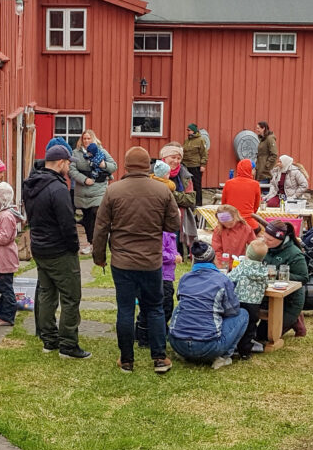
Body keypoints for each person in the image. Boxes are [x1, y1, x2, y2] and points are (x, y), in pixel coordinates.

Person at [92, 146, 180, 374]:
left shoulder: (113, 191)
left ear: (126, 165)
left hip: (122, 262)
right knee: (155, 308)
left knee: (125, 309)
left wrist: (99, 257)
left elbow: (101, 227)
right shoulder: (162, 191)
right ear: (148, 166)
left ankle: (127, 360)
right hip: (151, 260)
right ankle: (160, 358)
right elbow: (173, 225)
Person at [22, 144, 89, 359]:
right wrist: (74, 247)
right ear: (60, 162)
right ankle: (68, 345)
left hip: (40, 247)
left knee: (46, 294)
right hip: (59, 249)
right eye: (68, 163)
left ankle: (49, 341)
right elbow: (67, 223)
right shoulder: (58, 188)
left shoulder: (31, 184)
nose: (69, 167)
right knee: (70, 297)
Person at [168, 241, 246, 370]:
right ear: (214, 258)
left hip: (178, 343)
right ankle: (224, 357)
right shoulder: (223, 280)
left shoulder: (184, 278)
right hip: (208, 347)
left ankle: (183, 350)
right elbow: (233, 310)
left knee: (180, 307)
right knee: (243, 314)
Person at [256, 220, 310, 339]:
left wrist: (278, 274)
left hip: (288, 300)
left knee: (264, 337)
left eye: (269, 240)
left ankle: (294, 319)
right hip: (266, 295)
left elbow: (304, 278)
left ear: (281, 239)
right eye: (264, 237)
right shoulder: (265, 247)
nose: (265, 241)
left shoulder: (295, 254)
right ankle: (295, 321)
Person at [69, 130, 117, 256]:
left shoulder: (102, 151)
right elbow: (71, 170)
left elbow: (113, 166)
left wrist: (103, 164)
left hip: (99, 188)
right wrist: (84, 179)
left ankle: (98, 243)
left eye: (89, 138)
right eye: (84, 138)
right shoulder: (76, 153)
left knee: (97, 215)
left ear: (93, 139)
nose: (86, 141)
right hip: (83, 190)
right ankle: (90, 243)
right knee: (87, 219)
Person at [136, 217, 180, 349]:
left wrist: (176, 253)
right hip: (161, 275)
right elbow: (158, 253)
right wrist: (174, 257)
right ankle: (148, 335)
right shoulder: (162, 234)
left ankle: (144, 333)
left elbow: (170, 250)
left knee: (154, 306)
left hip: (166, 274)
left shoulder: (170, 234)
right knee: (162, 307)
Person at [0, 182, 24, 327]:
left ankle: (8, 316)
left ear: (2, 200)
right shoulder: (3, 214)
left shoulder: (6, 216)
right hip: (1, 258)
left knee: (6, 289)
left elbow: (4, 238)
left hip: (5, 258)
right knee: (2, 287)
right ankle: (1, 313)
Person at [226, 239, 269, 360]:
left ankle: (233, 345)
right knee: (251, 327)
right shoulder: (263, 270)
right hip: (254, 303)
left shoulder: (243, 266)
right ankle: (245, 351)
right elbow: (266, 284)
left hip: (239, 300)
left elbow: (230, 277)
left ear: (247, 254)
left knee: (237, 323)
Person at [159, 144, 198, 255]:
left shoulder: (185, 176)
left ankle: (175, 253)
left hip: (178, 216)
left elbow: (191, 199)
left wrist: (172, 194)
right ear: (165, 157)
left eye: (179, 158)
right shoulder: (153, 173)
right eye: (173, 157)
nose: (176, 161)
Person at [222, 159, 262, 232]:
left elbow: (223, 204)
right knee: (260, 230)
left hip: (229, 221)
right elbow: (256, 206)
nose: (255, 171)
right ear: (249, 170)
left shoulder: (228, 183)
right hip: (247, 221)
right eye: (253, 169)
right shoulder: (255, 184)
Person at [210, 204, 253, 270]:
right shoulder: (218, 230)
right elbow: (216, 250)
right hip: (223, 264)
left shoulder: (245, 228)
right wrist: (222, 264)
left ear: (236, 217)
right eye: (224, 224)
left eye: (230, 223)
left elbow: (253, 245)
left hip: (240, 264)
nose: (228, 226)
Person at [183, 124, 208, 207]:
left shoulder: (201, 140)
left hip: (196, 166)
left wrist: (203, 165)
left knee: (197, 185)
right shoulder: (187, 141)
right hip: (186, 165)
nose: (188, 132)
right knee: (188, 184)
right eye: (188, 130)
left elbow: (204, 153)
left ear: (194, 131)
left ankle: (198, 203)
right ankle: (191, 201)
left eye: (189, 130)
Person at [254, 121, 278, 188]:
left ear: (263, 128)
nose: (257, 130)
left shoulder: (270, 139)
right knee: (259, 190)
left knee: (264, 191)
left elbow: (274, 154)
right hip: (260, 170)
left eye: (258, 128)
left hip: (265, 172)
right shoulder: (262, 140)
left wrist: (267, 166)